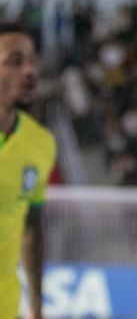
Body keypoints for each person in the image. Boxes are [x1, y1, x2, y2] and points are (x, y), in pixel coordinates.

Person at [0, 24, 55, 319]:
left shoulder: (40, 143)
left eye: (32, 60)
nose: (29, 70)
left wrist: (36, 303)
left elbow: (31, 224)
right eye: (14, 61)